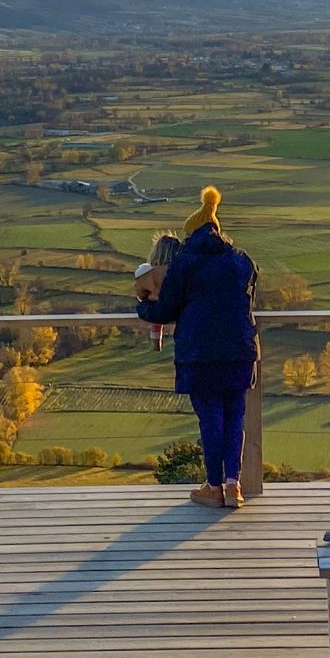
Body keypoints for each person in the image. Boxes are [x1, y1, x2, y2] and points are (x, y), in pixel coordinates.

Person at [134, 185, 257, 509]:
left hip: (200, 354)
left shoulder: (184, 265)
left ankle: (213, 487)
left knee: (211, 419)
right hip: (241, 351)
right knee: (235, 418)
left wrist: (142, 305)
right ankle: (234, 486)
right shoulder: (241, 260)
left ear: (192, 234)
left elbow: (164, 311)